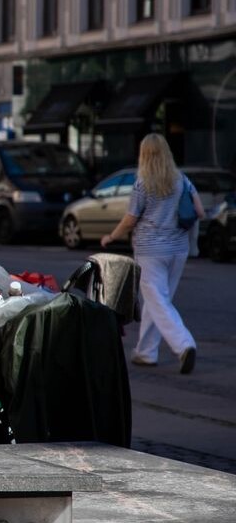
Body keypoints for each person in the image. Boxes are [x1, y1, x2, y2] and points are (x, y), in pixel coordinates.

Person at [101, 133, 205, 374]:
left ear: (144, 155)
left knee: (158, 300)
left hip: (150, 251)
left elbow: (130, 219)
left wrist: (111, 237)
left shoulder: (142, 183)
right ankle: (146, 352)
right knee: (157, 300)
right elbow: (199, 210)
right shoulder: (182, 180)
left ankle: (184, 344)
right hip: (178, 250)